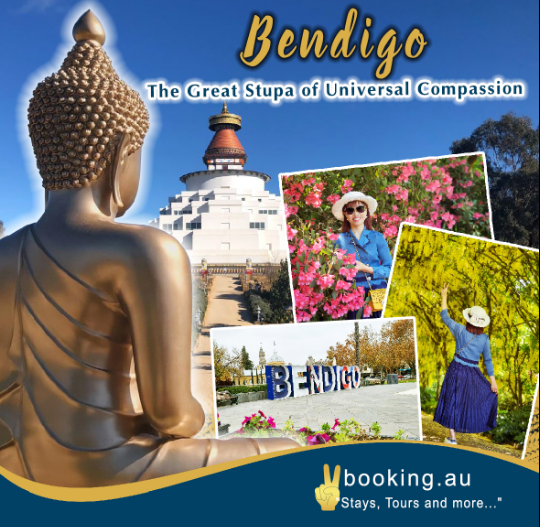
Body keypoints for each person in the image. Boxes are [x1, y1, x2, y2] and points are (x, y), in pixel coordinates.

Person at [0, 11, 296, 487]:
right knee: (287, 452)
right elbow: (172, 417)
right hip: (106, 468)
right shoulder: (144, 250)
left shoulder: (4, 252)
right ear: (121, 154)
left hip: (16, 467)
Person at [433, 284, 498, 444]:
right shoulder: (484, 339)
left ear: (469, 319)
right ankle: (457, 434)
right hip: (472, 374)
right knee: (466, 401)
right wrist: (493, 382)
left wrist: (444, 296)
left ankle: (452, 437)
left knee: (452, 400)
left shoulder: (460, 330)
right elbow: (488, 360)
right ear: (482, 324)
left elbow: (445, 316)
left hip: (456, 369)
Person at [331, 191, 392, 319]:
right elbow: (333, 270)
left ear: (366, 213)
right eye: (350, 210)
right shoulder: (338, 240)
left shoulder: (377, 237)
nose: (356, 214)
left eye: (360, 209)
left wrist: (366, 269)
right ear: (345, 214)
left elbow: (390, 269)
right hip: (353, 296)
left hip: (378, 291)